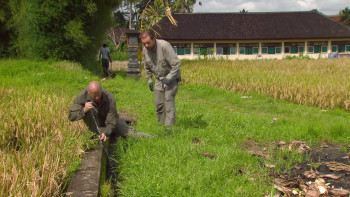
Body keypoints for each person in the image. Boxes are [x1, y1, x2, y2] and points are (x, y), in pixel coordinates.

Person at [68, 81, 150, 141]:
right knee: (90, 110)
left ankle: (153, 137)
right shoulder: (81, 97)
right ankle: (98, 133)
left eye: (98, 95)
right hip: (96, 125)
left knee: (131, 136)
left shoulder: (109, 97)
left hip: (112, 121)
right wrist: (84, 110)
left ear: (101, 90)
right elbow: (71, 116)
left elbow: (111, 122)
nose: (97, 98)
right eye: (94, 95)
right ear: (88, 92)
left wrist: (105, 132)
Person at [140, 30, 181, 129]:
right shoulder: (145, 50)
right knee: (159, 104)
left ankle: (169, 129)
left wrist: (169, 78)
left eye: (148, 42)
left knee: (168, 101)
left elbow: (176, 64)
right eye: (144, 43)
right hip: (159, 79)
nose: (146, 45)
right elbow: (147, 66)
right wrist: (149, 79)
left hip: (172, 77)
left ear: (154, 39)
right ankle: (161, 126)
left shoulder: (164, 46)